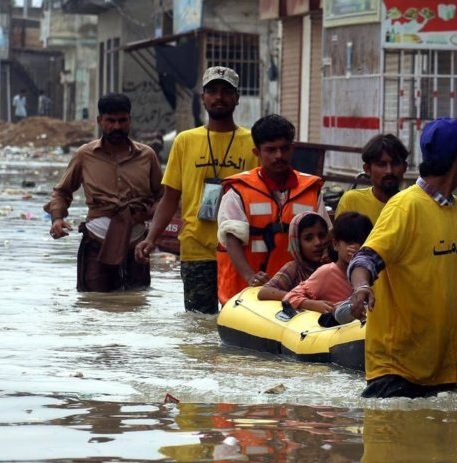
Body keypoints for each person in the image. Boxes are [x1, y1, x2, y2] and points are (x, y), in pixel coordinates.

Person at [346, 117, 457, 398]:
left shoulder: (456, 210)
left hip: (441, 369)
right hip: (396, 371)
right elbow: (365, 259)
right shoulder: (405, 207)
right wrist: (362, 288)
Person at [135, 66, 258, 313]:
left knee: (239, 320)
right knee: (198, 324)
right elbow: (171, 197)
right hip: (195, 248)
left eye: (226, 91)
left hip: (241, 251)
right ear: (203, 98)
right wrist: (151, 237)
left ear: (237, 98)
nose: (219, 97)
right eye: (212, 91)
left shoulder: (253, 142)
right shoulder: (185, 141)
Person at [45, 93, 163, 292]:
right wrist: (57, 218)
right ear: (100, 121)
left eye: (122, 120)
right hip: (96, 244)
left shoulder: (147, 156)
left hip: (137, 246)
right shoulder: (85, 155)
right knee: (95, 304)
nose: (117, 126)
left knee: (137, 301)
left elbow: (162, 196)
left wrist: (152, 229)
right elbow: (62, 191)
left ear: (130, 121)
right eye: (111, 120)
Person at [213, 114, 326, 304]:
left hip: (297, 293)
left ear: (293, 148)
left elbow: (325, 240)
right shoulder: (237, 190)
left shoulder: (312, 189)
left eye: (284, 148)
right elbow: (231, 240)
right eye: (270, 150)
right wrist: (251, 278)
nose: (278, 156)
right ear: (257, 152)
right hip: (247, 295)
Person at [284, 212, 373, 314]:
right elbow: (290, 297)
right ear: (335, 244)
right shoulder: (327, 272)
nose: (356, 248)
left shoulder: (373, 272)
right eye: (349, 243)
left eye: (362, 243)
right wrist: (316, 305)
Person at [334, 133, 409, 224]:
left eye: (395, 164)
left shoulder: (412, 205)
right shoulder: (352, 201)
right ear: (367, 169)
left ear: (404, 167)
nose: (389, 171)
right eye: (381, 164)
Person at [257, 211, 331, 301]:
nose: (318, 242)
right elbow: (265, 292)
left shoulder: (332, 266)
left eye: (322, 236)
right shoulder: (294, 268)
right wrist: (302, 301)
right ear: (297, 243)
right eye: (308, 238)